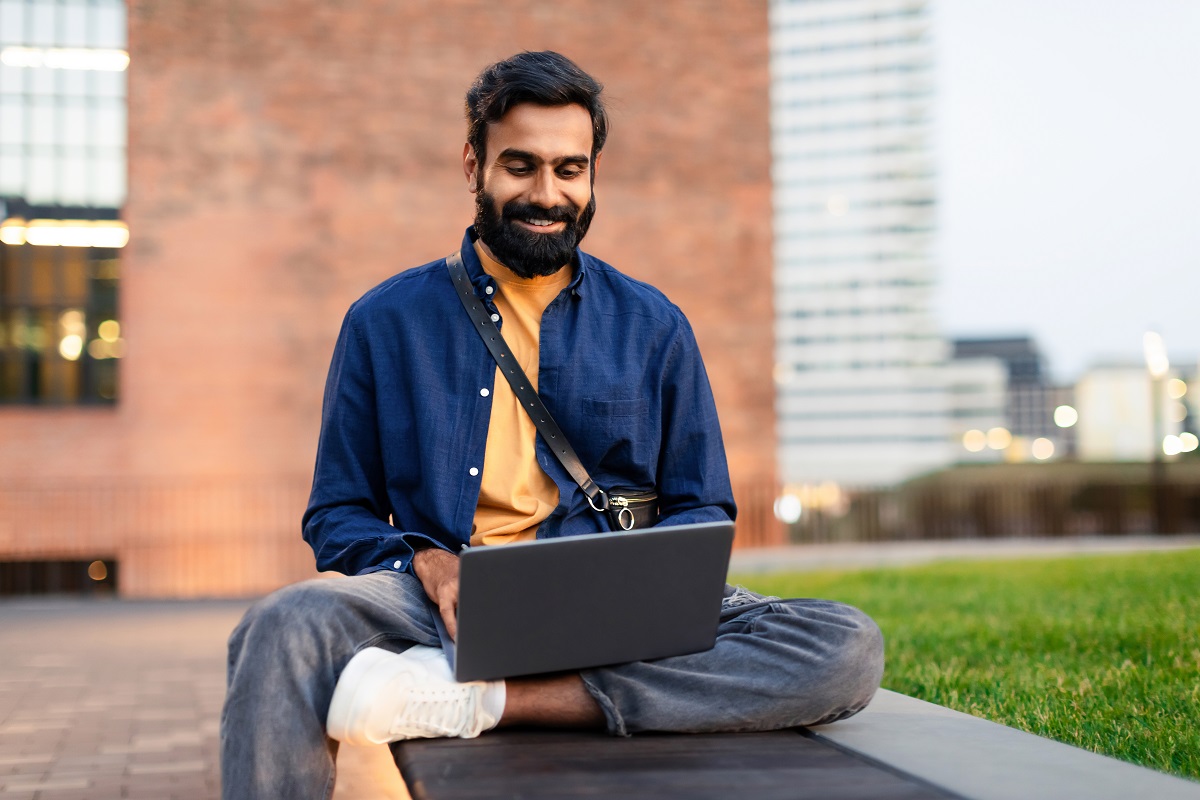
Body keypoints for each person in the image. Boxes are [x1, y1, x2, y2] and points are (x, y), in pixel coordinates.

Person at [220, 50, 884, 799]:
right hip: (443, 591)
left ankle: (477, 699)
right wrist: (428, 566)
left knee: (846, 646)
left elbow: (702, 506)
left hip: (607, 594)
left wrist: (646, 587)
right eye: (521, 166)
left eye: (570, 169)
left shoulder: (654, 325)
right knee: (280, 626)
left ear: (593, 173)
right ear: (473, 165)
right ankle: (490, 673)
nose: (547, 193)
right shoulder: (383, 321)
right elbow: (336, 512)